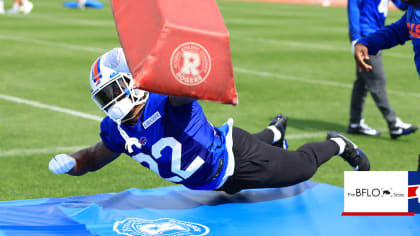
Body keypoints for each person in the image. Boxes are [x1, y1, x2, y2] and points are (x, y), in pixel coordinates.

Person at [48, 48, 370, 194]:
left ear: (134, 80)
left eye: (115, 90)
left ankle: (338, 143)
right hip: (214, 178)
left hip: (235, 160)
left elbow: (186, 89)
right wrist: (73, 164)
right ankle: (275, 131)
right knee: (250, 151)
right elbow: (93, 158)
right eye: (105, 97)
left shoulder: (165, 100)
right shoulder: (115, 129)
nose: (113, 102)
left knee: (302, 168)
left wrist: (184, 58)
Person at [346, 0, 416, 139]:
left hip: (375, 34)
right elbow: (353, 9)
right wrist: (357, 39)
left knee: (363, 83)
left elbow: (402, 5)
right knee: (377, 81)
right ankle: (393, 123)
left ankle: (355, 123)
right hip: (367, 36)